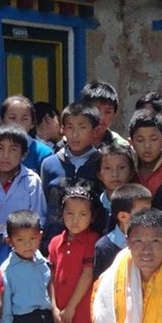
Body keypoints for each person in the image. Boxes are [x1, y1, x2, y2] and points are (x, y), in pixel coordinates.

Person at [0, 210, 58, 323]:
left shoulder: (43, 262)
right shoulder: (7, 270)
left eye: (32, 239)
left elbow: (49, 287)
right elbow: (5, 304)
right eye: (20, 240)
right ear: (10, 241)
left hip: (44, 321)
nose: (27, 245)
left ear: (40, 237)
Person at [39, 102, 105, 240]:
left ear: (95, 131)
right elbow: (43, 207)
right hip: (54, 244)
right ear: (62, 129)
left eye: (82, 128)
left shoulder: (103, 163)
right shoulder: (49, 164)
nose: (75, 134)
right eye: (70, 127)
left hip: (90, 245)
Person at [49, 186, 100, 323]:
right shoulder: (55, 242)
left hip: (83, 316)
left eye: (82, 214)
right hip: (60, 317)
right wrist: (54, 308)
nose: (75, 220)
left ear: (92, 217)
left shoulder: (93, 240)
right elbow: (50, 277)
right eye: (69, 213)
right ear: (62, 214)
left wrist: (71, 307)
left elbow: (87, 274)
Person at [0, 124, 46, 235]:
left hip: (22, 245)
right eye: (0, 148)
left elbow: (38, 219)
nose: (5, 156)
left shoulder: (32, 182)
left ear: (24, 154)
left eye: (13, 149)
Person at [0, 96, 55, 172]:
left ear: (32, 123)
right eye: (12, 118)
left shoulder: (44, 153)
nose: (18, 123)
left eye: (24, 119)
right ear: (2, 121)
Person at [95, 184, 155, 278]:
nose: (149, 216)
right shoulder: (105, 248)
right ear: (123, 216)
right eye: (143, 212)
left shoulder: (153, 243)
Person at [93, 143, 135, 233]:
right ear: (99, 174)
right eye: (108, 168)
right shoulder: (94, 204)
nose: (115, 174)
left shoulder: (138, 205)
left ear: (131, 172)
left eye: (121, 167)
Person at [127, 110, 162, 194]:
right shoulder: (126, 171)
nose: (147, 146)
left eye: (153, 139)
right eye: (140, 140)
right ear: (131, 143)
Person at [79, 81, 130, 146]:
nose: (102, 118)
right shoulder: (69, 142)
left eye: (108, 112)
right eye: (96, 110)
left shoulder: (121, 146)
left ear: (115, 115)